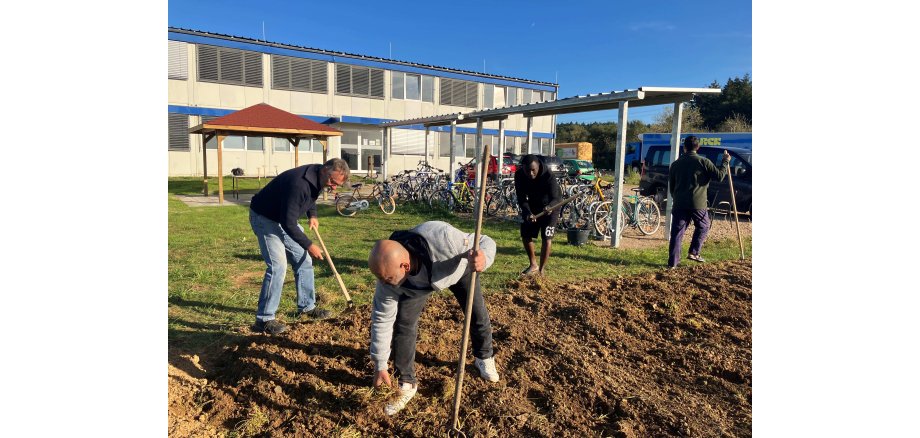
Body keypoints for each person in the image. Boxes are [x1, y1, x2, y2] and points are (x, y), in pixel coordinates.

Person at [368, 221, 500, 416]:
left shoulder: (445, 239)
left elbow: (484, 241)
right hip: (415, 285)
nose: (383, 284)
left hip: (457, 269)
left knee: (476, 313)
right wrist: (380, 365)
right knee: (403, 325)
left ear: (404, 265)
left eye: (387, 279)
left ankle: (484, 357)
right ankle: (406, 382)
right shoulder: (388, 279)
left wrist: (484, 258)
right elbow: (382, 320)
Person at [248, 158, 351, 334]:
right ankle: (263, 319)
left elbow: (310, 197)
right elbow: (288, 223)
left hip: (282, 217)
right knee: (278, 266)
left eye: (337, 185)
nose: (333, 187)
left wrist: (313, 214)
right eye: (333, 182)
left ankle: (307, 306)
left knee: (303, 261)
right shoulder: (299, 183)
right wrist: (309, 245)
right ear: (325, 170)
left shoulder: (317, 176)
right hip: (265, 218)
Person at [667, 136, 730, 268]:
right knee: (704, 225)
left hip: (679, 203)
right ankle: (694, 252)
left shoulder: (675, 164)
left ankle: (673, 263)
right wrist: (725, 162)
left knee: (677, 232)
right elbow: (719, 176)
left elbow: (671, 186)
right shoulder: (703, 162)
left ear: (684, 147)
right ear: (698, 147)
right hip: (698, 203)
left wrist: (677, 197)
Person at [514, 154, 562, 276]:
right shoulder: (519, 175)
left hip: (551, 206)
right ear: (522, 168)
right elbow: (521, 197)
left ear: (538, 166)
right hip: (532, 205)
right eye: (527, 170)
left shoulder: (548, 175)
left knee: (546, 237)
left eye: (533, 170)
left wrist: (550, 207)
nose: (530, 173)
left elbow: (556, 198)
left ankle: (541, 270)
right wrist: (527, 212)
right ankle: (533, 265)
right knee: (525, 233)